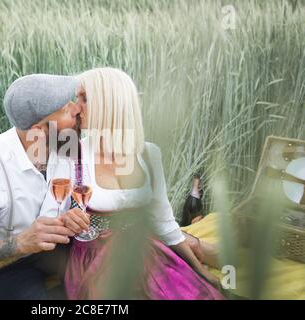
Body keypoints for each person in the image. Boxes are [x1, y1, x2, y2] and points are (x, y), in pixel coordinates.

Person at [41, 67, 224, 299]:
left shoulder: (149, 154)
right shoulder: (69, 152)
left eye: (84, 99)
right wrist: (65, 219)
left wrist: (200, 272)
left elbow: (164, 222)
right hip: (95, 263)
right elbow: (48, 216)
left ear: (110, 104)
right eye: (76, 98)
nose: (75, 108)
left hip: (146, 254)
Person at [0, 74, 83, 299]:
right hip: (11, 266)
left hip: (61, 250)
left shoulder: (66, 143)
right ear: (40, 130)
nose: (76, 109)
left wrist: (75, 212)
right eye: (65, 109)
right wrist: (22, 243)